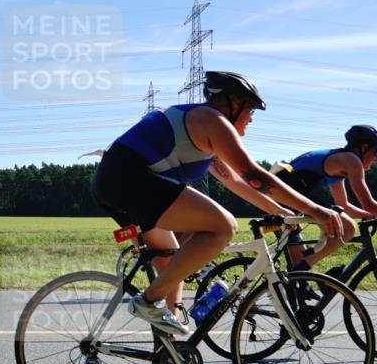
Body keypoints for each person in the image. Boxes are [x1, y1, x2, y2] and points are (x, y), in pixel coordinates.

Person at [91, 71, 343, 336]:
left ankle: (172, 353)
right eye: (250, 110)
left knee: (172, 266)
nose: (251, 119)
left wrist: (280, 212)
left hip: (118, 182)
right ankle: (146, 301)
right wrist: (314, 209)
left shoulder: (204, 130)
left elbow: (237, 182)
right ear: (233, 104)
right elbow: (254, 175)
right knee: (223, 226)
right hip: (129, 179)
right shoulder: (212, 120)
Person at [274, 125, 377, 271]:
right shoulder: (351, 160)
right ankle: (302, 269)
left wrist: (372, 215)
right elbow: (368, 203)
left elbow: (343, 205)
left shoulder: (339, 162)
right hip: (283, 197)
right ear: (364, 147)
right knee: (348, 228)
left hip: (282, 197)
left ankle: (300, 277)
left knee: (297, 252)